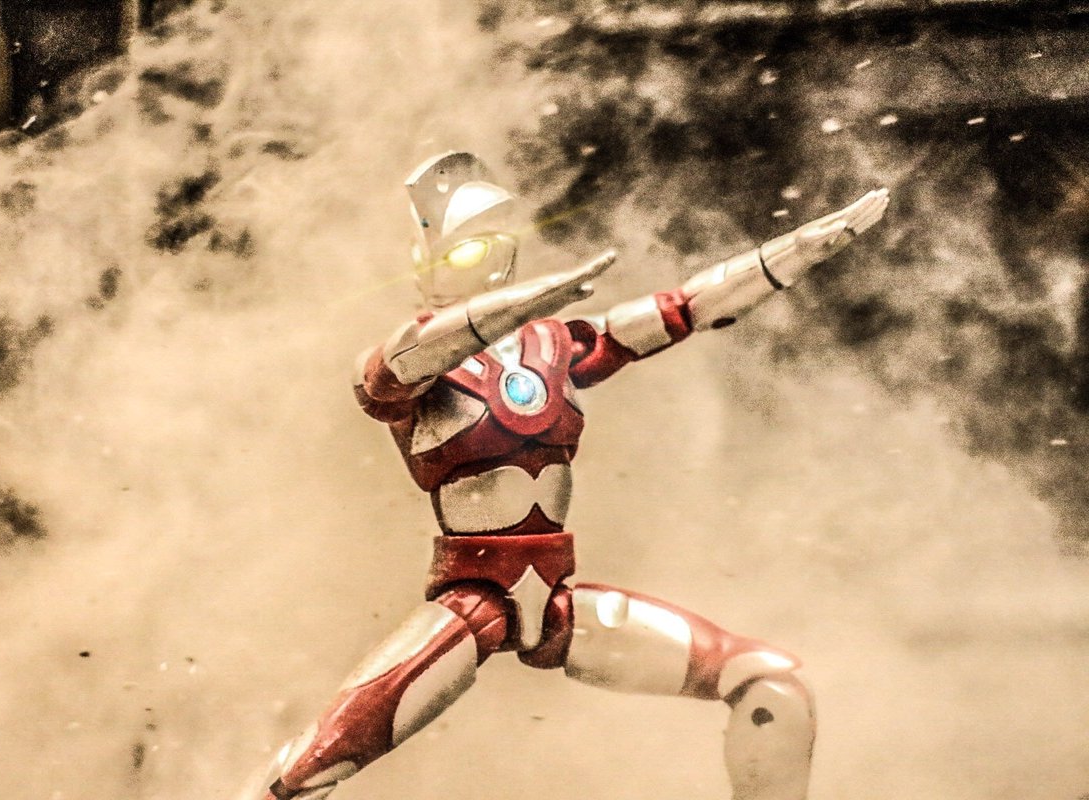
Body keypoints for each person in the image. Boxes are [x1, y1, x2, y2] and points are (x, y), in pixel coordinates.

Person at [254, 151, 889, 800]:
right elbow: (405, 363)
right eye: (448, 252)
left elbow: (684, 309)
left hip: (557, 599)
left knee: (771, 685)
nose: (463, 265)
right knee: (306, 771)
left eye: (482, 248)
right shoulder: (410, 364)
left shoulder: (552, 346)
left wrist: (792, 254)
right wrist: (531, 300)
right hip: (472, 602)